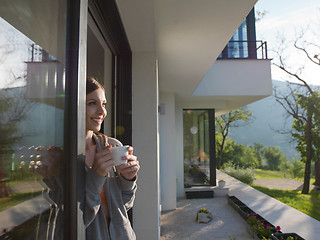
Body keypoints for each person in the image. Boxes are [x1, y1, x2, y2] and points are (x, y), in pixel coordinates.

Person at [85, 77, 139, 240]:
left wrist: (128, 179)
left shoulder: (112, 145)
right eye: (92, 103)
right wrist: (96, 175)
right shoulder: (64, 158)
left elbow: (124, 204)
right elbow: (75, 219)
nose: (102, 112)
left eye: (104, 104)